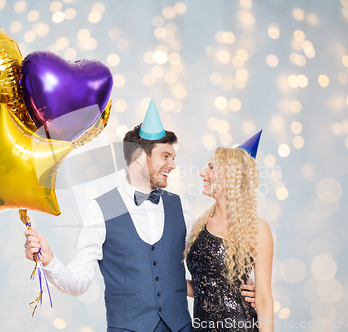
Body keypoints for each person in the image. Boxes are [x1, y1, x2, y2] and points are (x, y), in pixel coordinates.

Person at [24, 100, 256, 331]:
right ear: (137, 156)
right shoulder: (98, 209)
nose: (173, 165)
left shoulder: (180, 207)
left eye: (173, 158)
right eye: (165, 156)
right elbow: (79, 283)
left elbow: (204, 270)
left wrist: (240, 289)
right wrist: (50, 261)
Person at [185, 131, 274, 332]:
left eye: (211, 167)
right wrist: (161, 283)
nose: (202, 173)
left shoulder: (257, 228)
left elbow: (264, 300)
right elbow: (202, 286)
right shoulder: (201, 225)